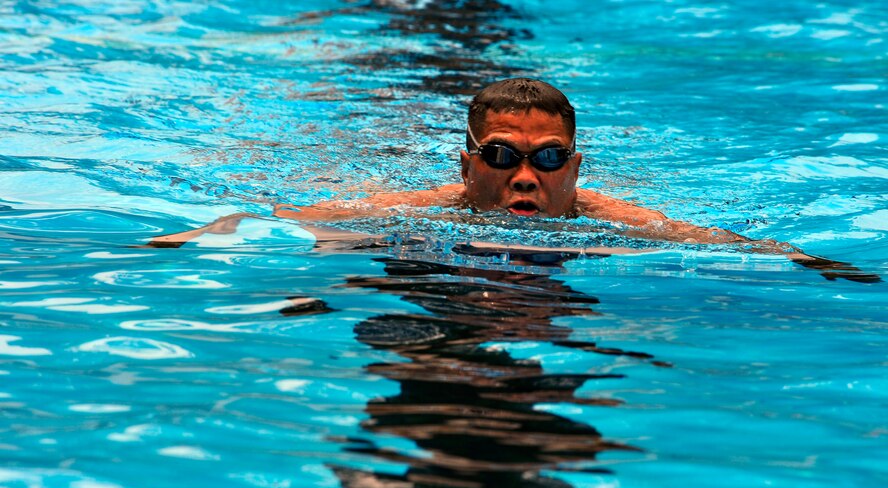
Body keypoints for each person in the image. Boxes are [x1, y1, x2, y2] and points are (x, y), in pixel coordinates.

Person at [148, 78, 878, 282]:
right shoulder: (424, 207)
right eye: (500, 157)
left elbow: (719, 239)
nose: (525, 177)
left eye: (548, 159)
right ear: (466, 167)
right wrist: (200, 234)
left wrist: (811, 261)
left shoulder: (605, 211)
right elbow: (278, 213)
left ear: (575, 169)